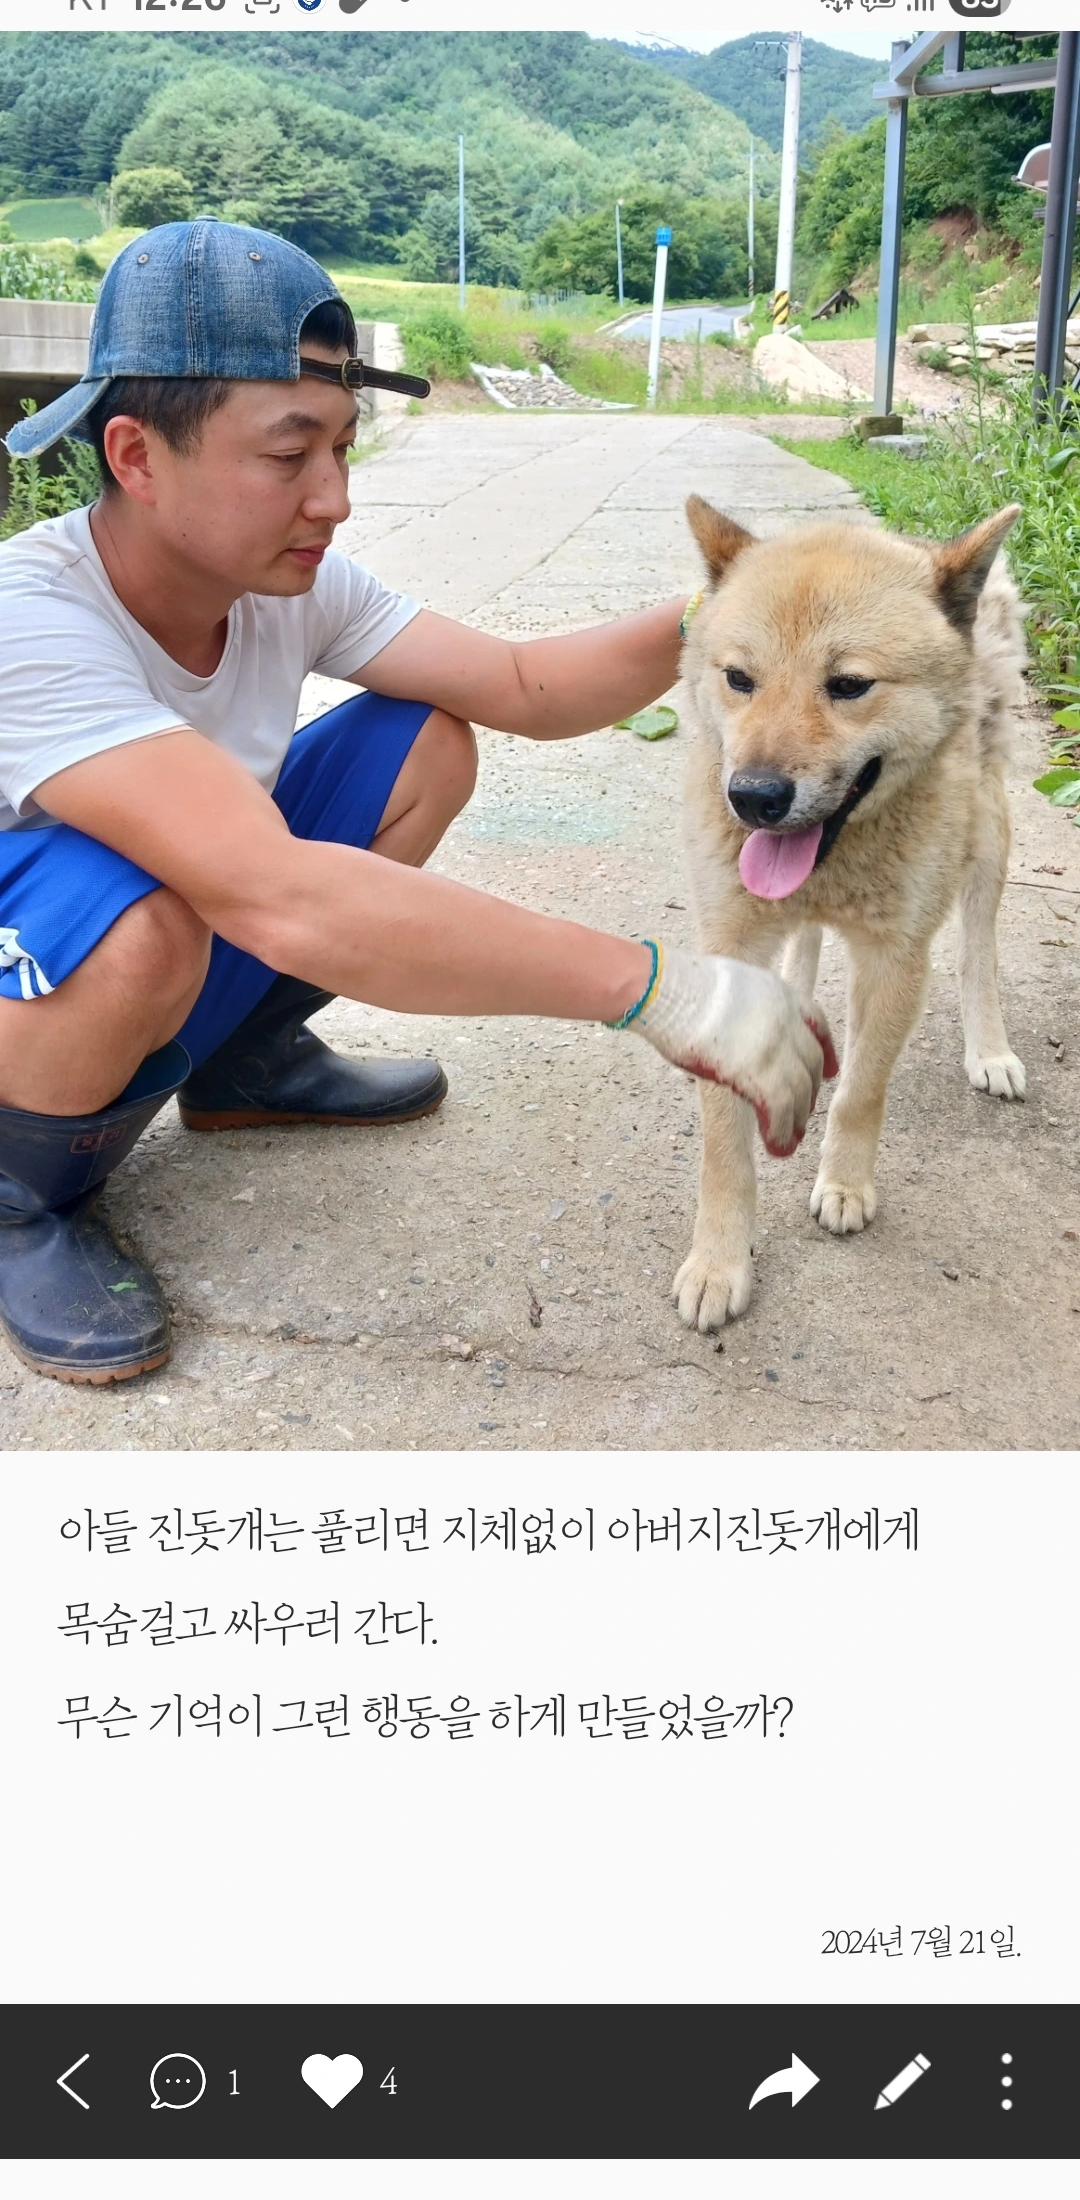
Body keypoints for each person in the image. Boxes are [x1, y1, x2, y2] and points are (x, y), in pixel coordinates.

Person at [0, 220, 832, 1385]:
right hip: (45, 973)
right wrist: (661, 990)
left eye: (344, 447)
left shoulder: (284, 582)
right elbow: (275, 893)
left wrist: (719, 610)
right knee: (147, 917)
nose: (334, 499)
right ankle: (22, 1200)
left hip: (180, 933)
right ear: (136, 456)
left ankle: (239, 1066)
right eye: (290, 456)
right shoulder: (32, 622)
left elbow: (523, 685)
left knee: (422, 744)